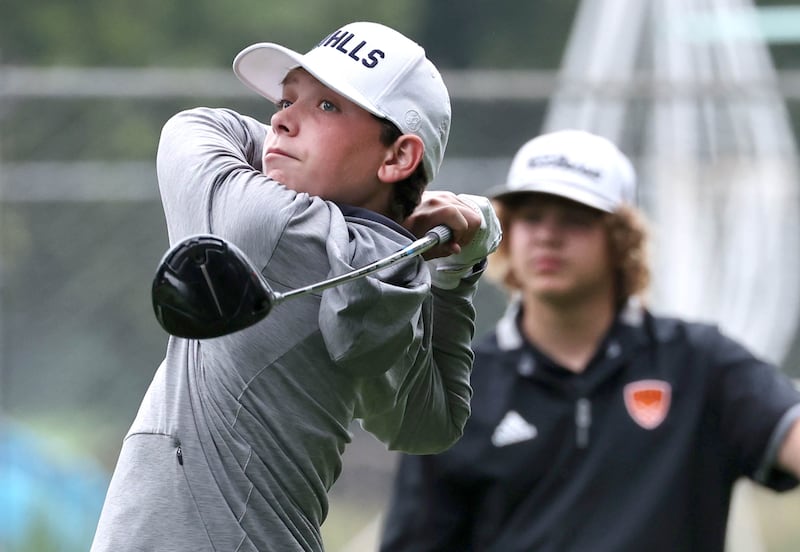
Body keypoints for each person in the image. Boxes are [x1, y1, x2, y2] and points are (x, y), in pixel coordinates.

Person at [91, 21, 501, 552]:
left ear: (399, 156)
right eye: (286, 100)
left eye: (326, 107)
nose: (283, 121)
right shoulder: (397, 278)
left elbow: (191, 129)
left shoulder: (268, 225)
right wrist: (456, 268)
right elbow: (432, 423)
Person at [379, 129, 800, 552]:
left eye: (574, 218)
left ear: (621, 239)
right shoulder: (460, 385)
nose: (548, 235)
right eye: (530, 217)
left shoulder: (699, 362)